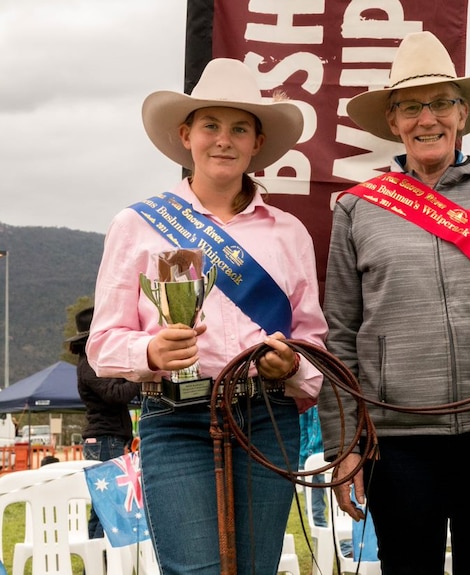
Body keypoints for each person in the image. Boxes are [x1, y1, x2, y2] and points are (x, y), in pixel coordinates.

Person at [318, 31, 470, 575]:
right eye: (410, 107)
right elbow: (340, 337)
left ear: (463, 113)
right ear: (393, 122)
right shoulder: (357, 209)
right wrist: (344, 445)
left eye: (441, 103)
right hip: (397, 440)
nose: (427, 118)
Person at [86, 58, 327, 575]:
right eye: (211, 126)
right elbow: (102, 343)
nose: (224, 139)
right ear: (186, 135)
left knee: (255, 567)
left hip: (266, 416)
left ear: (256, 143)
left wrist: (293, 367)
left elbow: (314, 341)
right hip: (175, 416)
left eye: (240, 128)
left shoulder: (289, 232)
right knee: (194, 570)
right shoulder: (136, 225)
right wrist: (150, 351)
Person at [68, 306, 140, 539]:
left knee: (101, 508)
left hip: (105, 438)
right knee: (111, 504)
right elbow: (116, 395)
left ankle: (95, 566)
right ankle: (103, 562)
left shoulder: (91, 362)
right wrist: (142, 375)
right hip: (106, 439)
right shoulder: (90, 364)